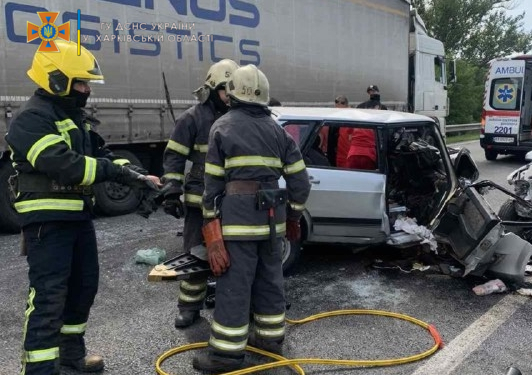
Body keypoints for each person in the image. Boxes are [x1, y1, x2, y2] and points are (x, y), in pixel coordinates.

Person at [5, 40, 160, 375]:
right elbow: (69, 166)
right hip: (47, 223)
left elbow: (99, 156)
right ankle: (40, 370)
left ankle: (71, 358)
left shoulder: (73, 117)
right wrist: (114, 171)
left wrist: (135, 175)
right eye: (81, 82)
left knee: (82, 288)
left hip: (77, 217)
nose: (87, 89)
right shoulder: (30, 119)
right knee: (48, 298)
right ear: (56, 79)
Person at [194, 64, 311, 372]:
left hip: (237, 224)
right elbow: (301, 184)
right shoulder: (279, 131)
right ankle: (270, 340)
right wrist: (294, 217)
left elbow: (212, 185)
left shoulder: (221, 127)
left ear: (232, 94)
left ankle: (225, 356)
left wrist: (210, 225)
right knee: (271, 280)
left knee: (234, 286)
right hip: (273, 224)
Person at [161, 58, 240, 329]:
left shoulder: (238, 117)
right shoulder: (193, 117)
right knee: (195, 257)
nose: (229, 97)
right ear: (211, 89)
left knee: (231, 256)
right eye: (224, 91)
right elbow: (174, 156)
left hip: (230, 202)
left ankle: (226, 303)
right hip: (198, 202)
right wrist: (171, 190)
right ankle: (188, 308)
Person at [333, 95, 353, 168]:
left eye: (342, 103)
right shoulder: (336, 116)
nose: (338, 104)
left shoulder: (351, 117)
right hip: (338, 153)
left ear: (346, 104)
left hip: (347, 154)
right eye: (337, 102)